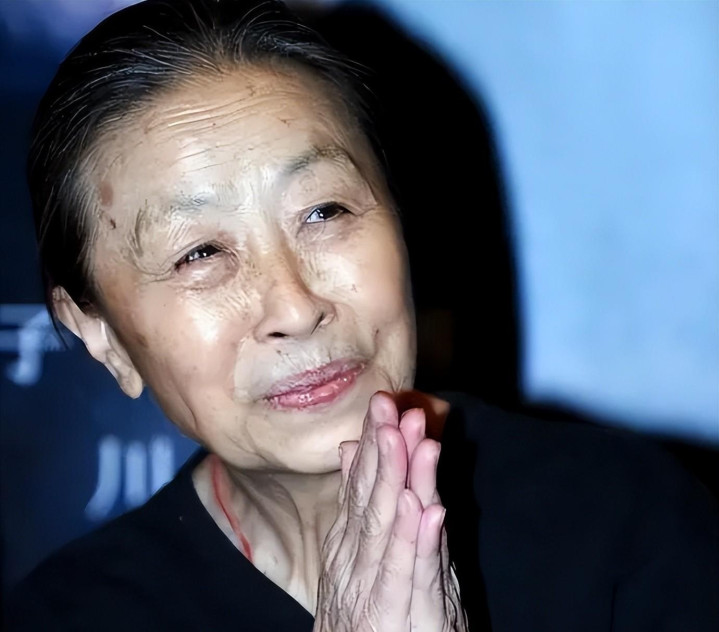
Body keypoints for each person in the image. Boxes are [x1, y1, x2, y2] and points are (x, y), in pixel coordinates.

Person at [4, 1, 718, 630]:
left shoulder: (626, 525)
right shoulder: (70, 616)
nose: (294, 307)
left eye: (324, 211)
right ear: (103, 336)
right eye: (200, 253)